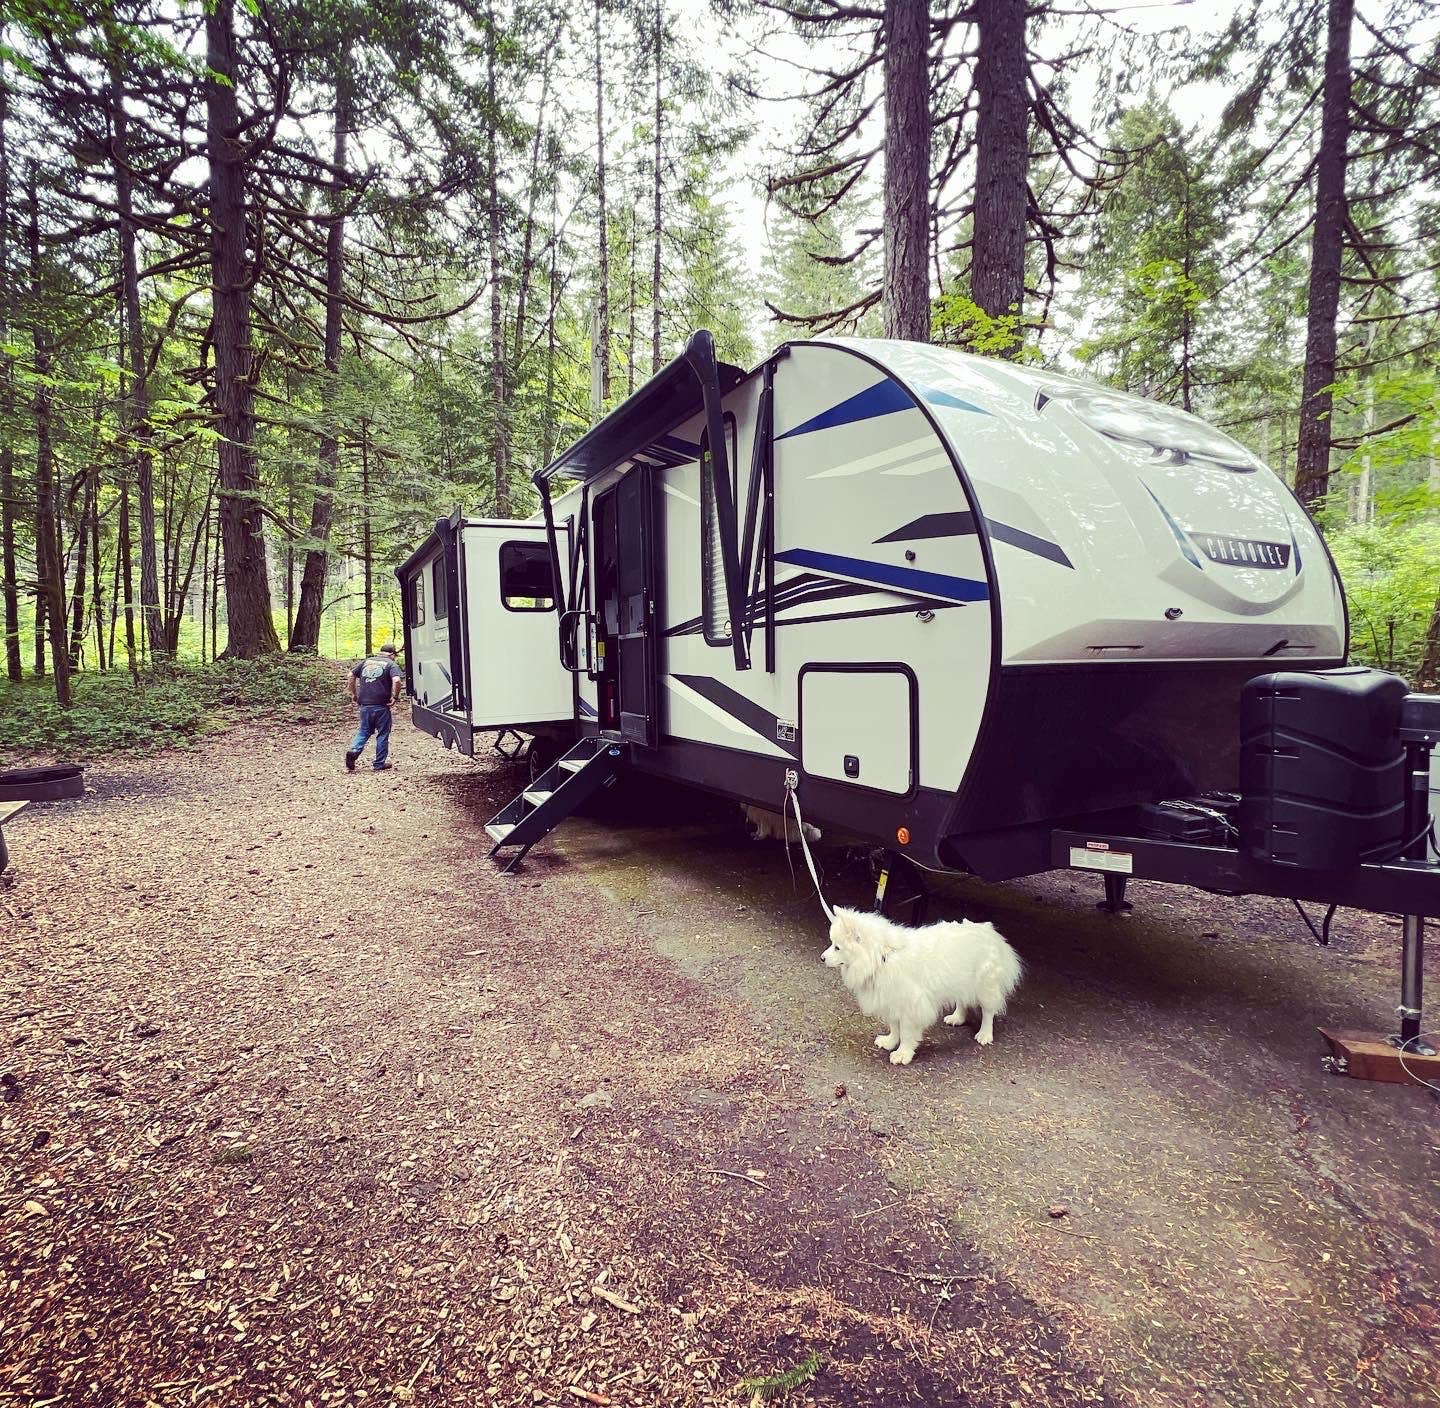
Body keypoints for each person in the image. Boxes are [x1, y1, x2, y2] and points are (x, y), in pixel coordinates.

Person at [346, 644, 403, 772]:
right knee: (383, 733)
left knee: (364, 730)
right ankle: (379, 764)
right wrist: (395, 697)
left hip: (364, 704)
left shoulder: (366, 662)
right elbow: (397, 680)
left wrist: (354, 694)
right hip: (381, 705)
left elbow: (351, 675)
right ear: (392, 654)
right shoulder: (390, 664)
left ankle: (354, 750)